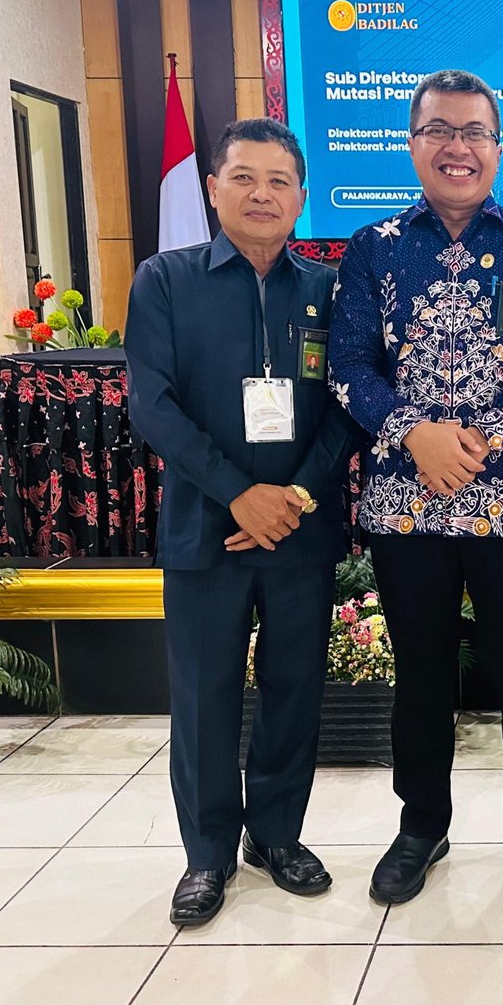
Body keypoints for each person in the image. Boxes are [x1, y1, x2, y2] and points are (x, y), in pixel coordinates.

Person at [330, 69, 503, 907]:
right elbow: (349, 366)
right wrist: (416, 434)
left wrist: (480, 441)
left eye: (475, 131)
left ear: (498, 148)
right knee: (421, 675)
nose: (457, 147)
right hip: (406, 503)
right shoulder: (372, 248)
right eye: (439, 130)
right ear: (412, 143)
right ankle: (421, 825)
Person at [127, 118, 358, 927]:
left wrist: (293, 497)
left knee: (295, 693)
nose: (263, 194)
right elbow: (153, 404)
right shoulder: (165, 280)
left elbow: (350, 403)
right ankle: (207, 855)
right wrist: (238, 494)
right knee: (204, 699)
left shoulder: (330, 289)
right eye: (244, 178)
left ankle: (278, 836)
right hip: (206, 530)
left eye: (279, 181)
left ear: (302, 196)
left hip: (300, 532)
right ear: (213, 188)